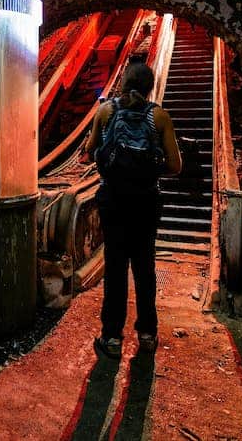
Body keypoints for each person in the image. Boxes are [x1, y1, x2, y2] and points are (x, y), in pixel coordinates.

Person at [84, 60, 182, 358]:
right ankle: (148, 334)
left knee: (115, 269)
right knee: (144, 267)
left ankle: (112, 337)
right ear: (150, 87)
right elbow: (176, 165)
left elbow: (90, 152)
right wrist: (147, 170)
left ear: (124, 83)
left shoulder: (106, 111)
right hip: (145, 202)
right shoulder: (159, 117)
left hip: (113, 200)